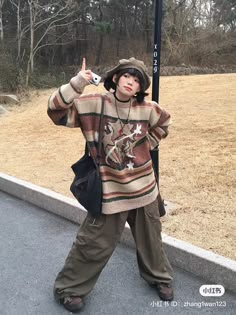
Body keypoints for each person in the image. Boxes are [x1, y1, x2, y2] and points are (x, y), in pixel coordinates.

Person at [47, 57, 174, 313]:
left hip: (145, 187)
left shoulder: (147, 108)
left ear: (140, 87)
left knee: (152, 239)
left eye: (137, 80)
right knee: (92, 242)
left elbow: (164, 122)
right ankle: (69, 288)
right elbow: (56, 112)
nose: (131, 82)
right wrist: (76, 83)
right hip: (110, 190)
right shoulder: (94, 104)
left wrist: (147, 144)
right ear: (115, 78)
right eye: (127, 76)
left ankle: (159, 277)